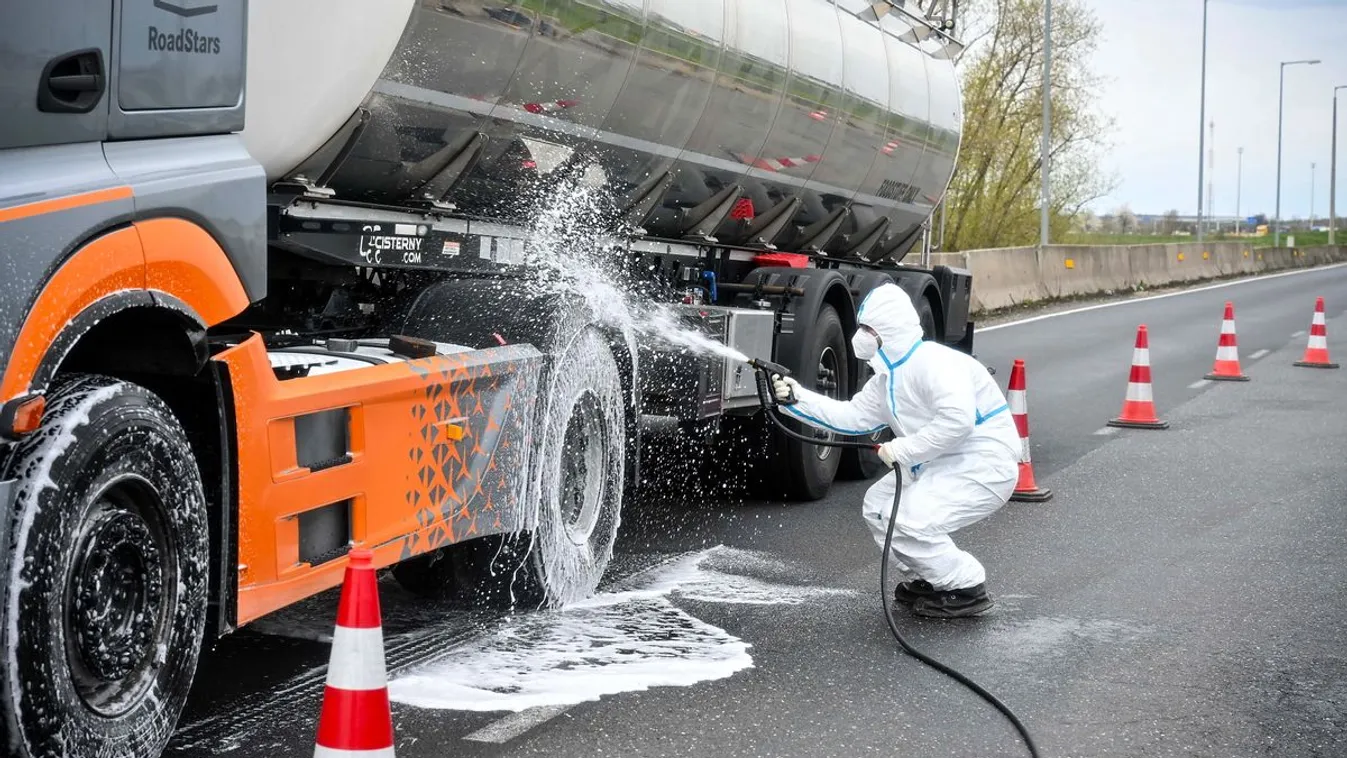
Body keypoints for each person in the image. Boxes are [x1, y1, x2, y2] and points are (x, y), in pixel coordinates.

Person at [771, 283, 1021, 618]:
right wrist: (796, 398)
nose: (860, 336)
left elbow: (957, 421)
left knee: (906, 519)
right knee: (877, 507)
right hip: (938, 462)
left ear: (888, 331)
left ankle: (965, 585)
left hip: (983, 463)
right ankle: (930, 576)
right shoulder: (886, 379)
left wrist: (903, 449)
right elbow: (851, 417)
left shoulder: (934, 364)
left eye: (868, 329)